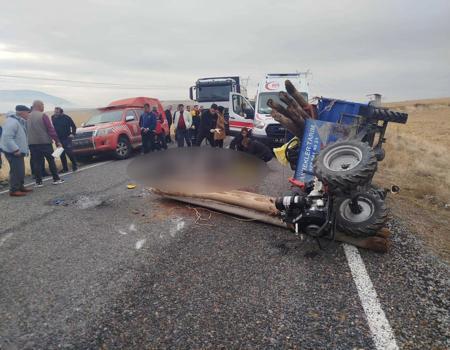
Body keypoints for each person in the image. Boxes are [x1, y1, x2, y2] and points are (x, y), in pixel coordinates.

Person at [28, 100, 64, 187]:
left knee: (36, 163)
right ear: (39, 106)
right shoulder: (43, 115)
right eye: (43, 105)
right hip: (44, 143)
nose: (43, 107)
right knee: (51, 161)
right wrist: (57, 141)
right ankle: (56, 179)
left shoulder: (27, 116)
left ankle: (38, 182)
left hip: (32, 143)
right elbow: (50, 129)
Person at [0, 106, 34, 196]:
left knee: (20, 170)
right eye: (27, 112)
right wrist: (15, 149)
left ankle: (20, 186)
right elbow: (7, 138)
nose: (29, 115)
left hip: (17, 151)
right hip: (13, 152)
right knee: (16, 171)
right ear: (21, 113)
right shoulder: (12, 122)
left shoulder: (18, 121)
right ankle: (14, 190)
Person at [51, 107, 78, 173]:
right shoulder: (53, 117)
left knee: (69, 152)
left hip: (67, 138)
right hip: (58, 139)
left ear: (61, 112)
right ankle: (65, 168)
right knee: (61, 154)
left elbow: (74, 126)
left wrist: (72, 134)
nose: (55, 113)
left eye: (57, 112)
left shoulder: (67, 118)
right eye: (55, 112)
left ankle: (75, 165)